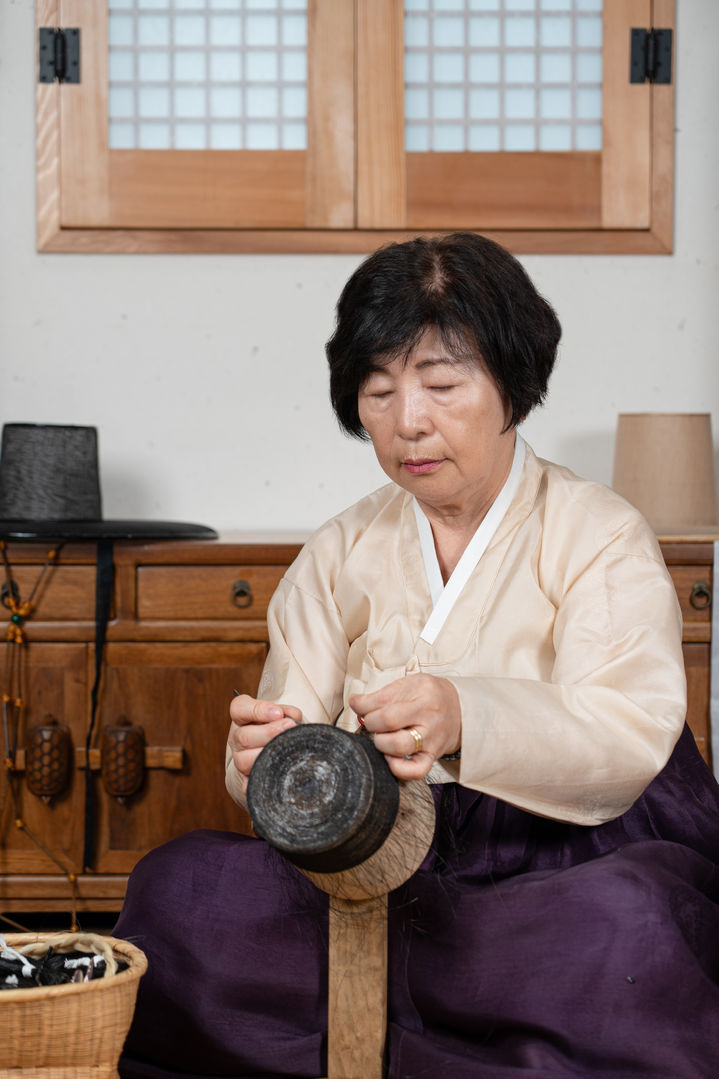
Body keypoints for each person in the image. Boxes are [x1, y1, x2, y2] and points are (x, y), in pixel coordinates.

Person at [115, 233, 719, 1079]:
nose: (407, 421)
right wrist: (259, 758)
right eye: (377, 390)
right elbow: (294, 739)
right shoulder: (337, 550)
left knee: (631, 924)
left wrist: (467, 713)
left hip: (557, 849)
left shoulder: (597, 532)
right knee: (176, 888)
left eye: (440, 384)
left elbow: (624, 733)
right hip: (365, 853)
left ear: (511, 384)